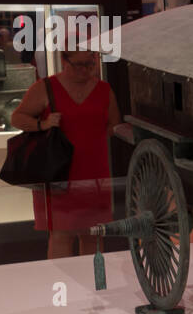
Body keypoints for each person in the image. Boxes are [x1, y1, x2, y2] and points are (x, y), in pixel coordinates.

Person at [10, 51, 120, 259]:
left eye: (90, 64)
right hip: (58, 171)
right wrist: (42, 124)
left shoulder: (104, 89)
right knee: (61, 234)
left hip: (94, 172)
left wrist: (95, 138)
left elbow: (114, 123)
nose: (85, 71)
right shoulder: (46, 87)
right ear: (64, 60)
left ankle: (95, 286)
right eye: (78, 65)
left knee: (93, 234)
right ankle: (61, 288)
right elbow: (17, 118)